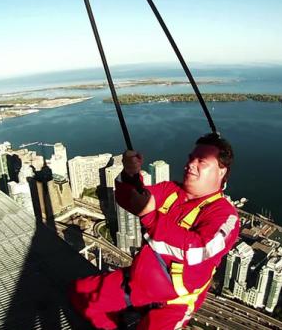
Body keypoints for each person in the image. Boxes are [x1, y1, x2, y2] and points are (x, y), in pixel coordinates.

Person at [69, 133, 240, 329]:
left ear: (221, 171)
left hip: (175, 301)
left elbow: (199, 250)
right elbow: (132, 200)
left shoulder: (226, 216)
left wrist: (151, 217)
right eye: (190, 158)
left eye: (201, 161)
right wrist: (131, 176)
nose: (190, 164)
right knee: (80, 294)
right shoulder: (170, 190)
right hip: (137, 284)